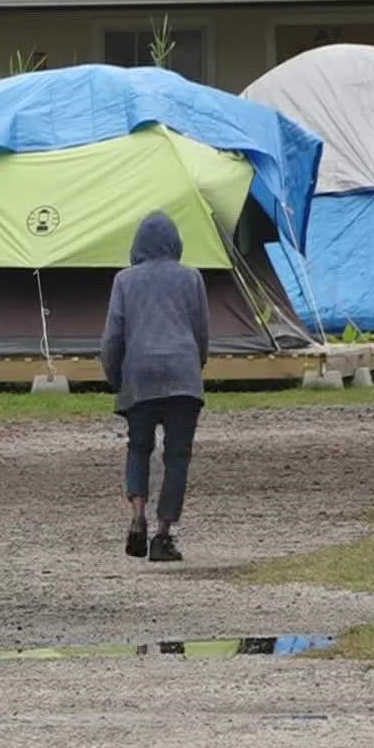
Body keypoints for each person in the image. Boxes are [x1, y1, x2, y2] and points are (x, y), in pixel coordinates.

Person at [100, 211, 211, 562]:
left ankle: (137, 517)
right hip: (183, 376)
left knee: (138, 449)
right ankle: (163, 535)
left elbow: (113, 336)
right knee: (177, 457)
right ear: (175, 243)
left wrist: (116, 377)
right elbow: (201, 332)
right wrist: (195, 366)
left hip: (140, 375)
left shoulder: (124, 281)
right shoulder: (192, 278)